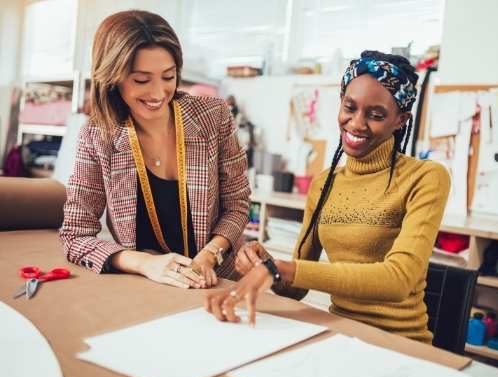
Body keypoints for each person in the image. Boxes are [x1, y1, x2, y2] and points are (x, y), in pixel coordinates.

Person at [204, 50, 450, 343]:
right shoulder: (324, 184)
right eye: (350, 107)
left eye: (376, 115)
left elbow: (398, 280)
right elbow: (294, 289)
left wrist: (281, 268)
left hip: (399, 341)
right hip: (338, 334)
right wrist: (266, 263)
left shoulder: (426, 177)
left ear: (400, 120)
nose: (357, 123)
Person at [59, 10, 250, 289]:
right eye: (141, 80)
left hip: (220, 281)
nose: (159, 93)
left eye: (168, 76)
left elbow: (237, 205)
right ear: (113, 78)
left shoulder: (213, 116)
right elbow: (75, 235)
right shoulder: (98, 136)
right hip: (149, 287)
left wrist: (210, 254)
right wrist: (144, 263)